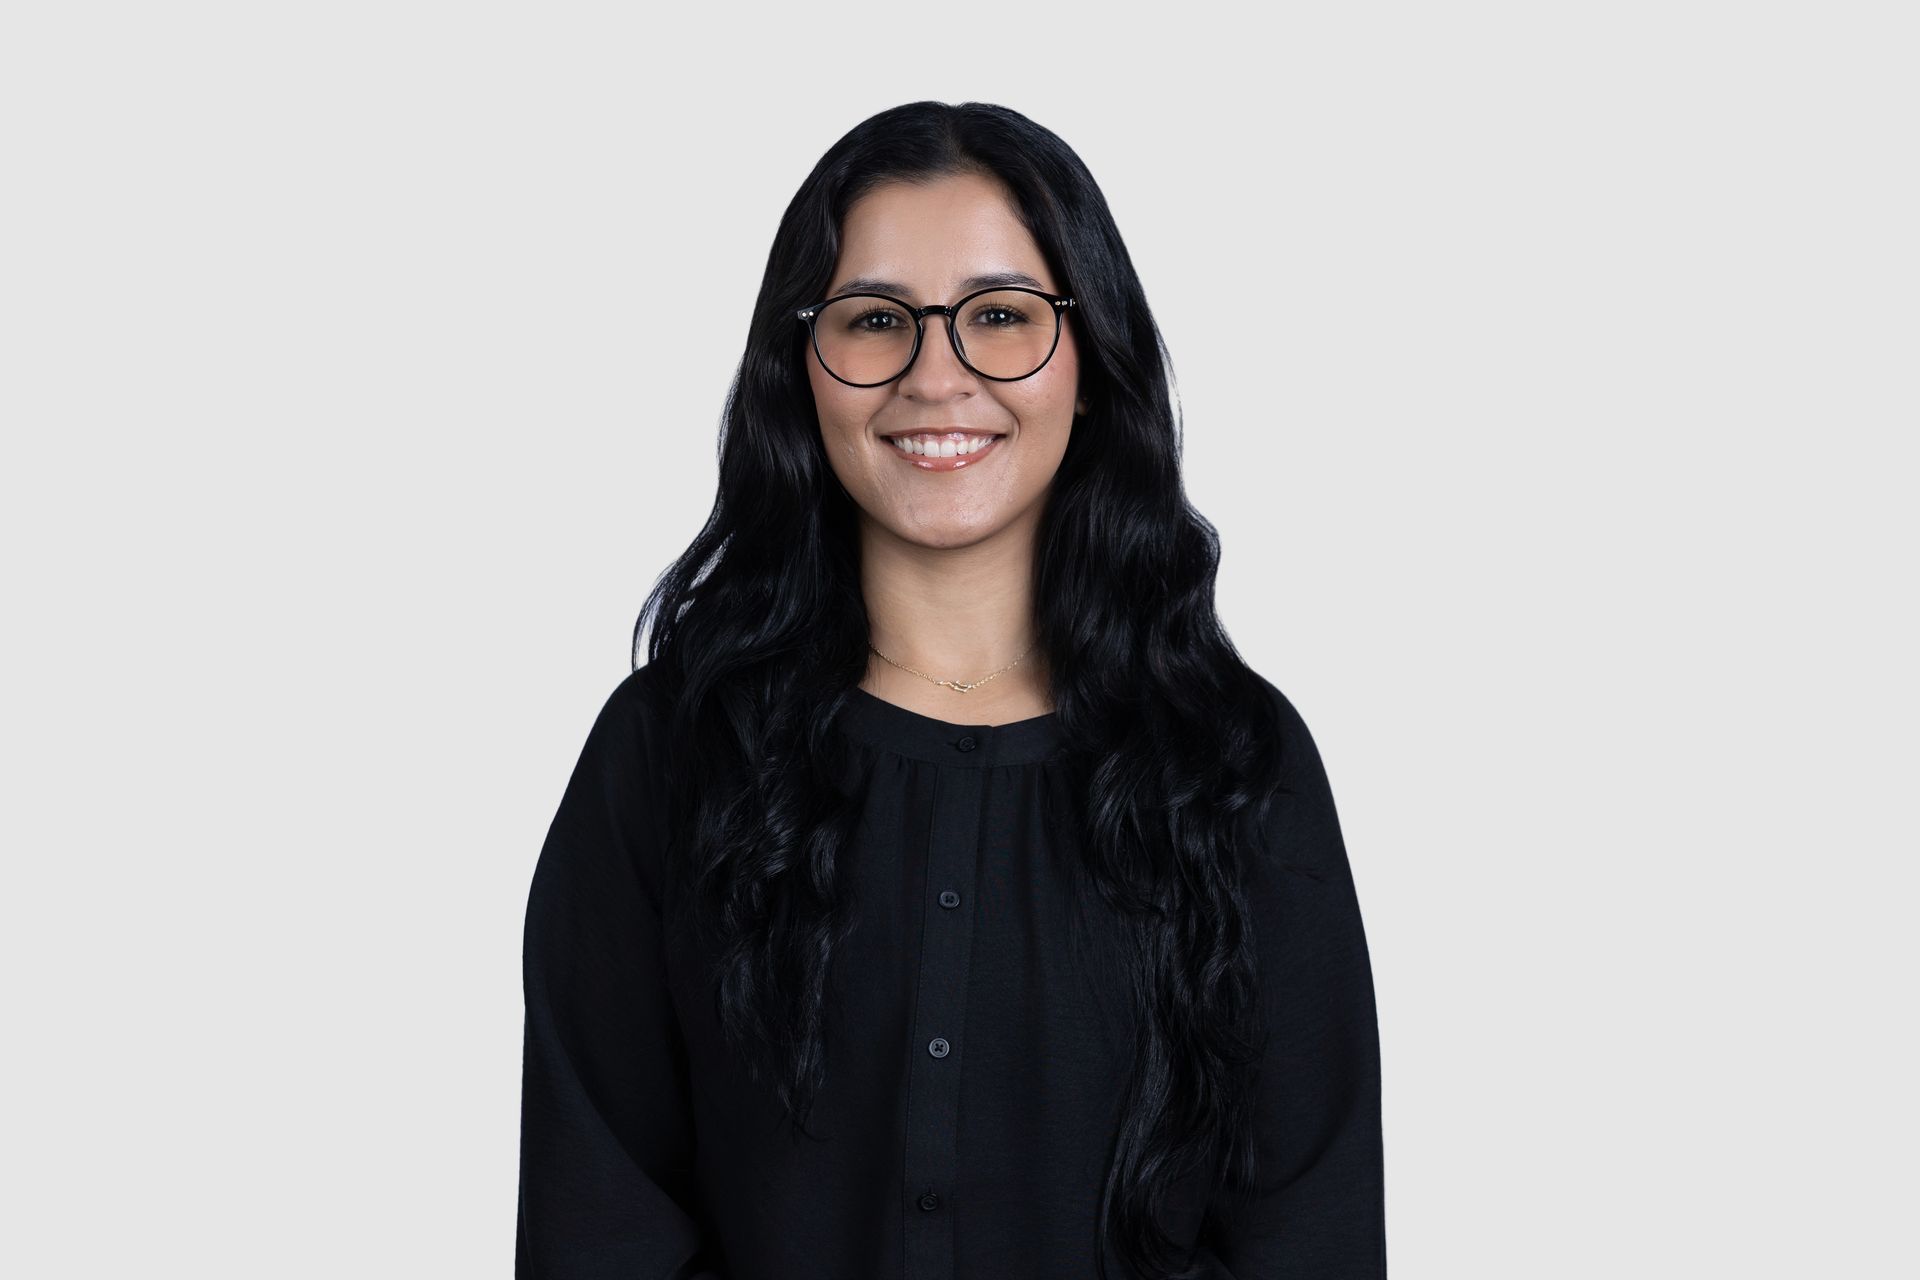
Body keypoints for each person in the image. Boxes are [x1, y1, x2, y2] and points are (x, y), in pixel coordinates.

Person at [515, 100, 1386, 1279]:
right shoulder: (668, 752)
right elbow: (597, 1222)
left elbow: (1308, 1233)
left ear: (1090, 365)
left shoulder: (1233, 761)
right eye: (877, 320)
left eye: (1001, 317)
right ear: (802, 367)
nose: (938, 376)